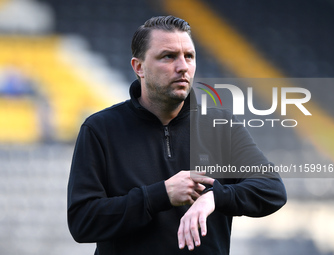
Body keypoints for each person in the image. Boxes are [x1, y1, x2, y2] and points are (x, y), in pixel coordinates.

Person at [67, 15, 287, 255]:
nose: (183, 67)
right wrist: (160, 195)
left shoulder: (222, 126)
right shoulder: (100, 129)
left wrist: (214, 198)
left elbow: (272, 189)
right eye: (168, 56)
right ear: (138, 67)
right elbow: (82, 222)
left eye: (189, 56)